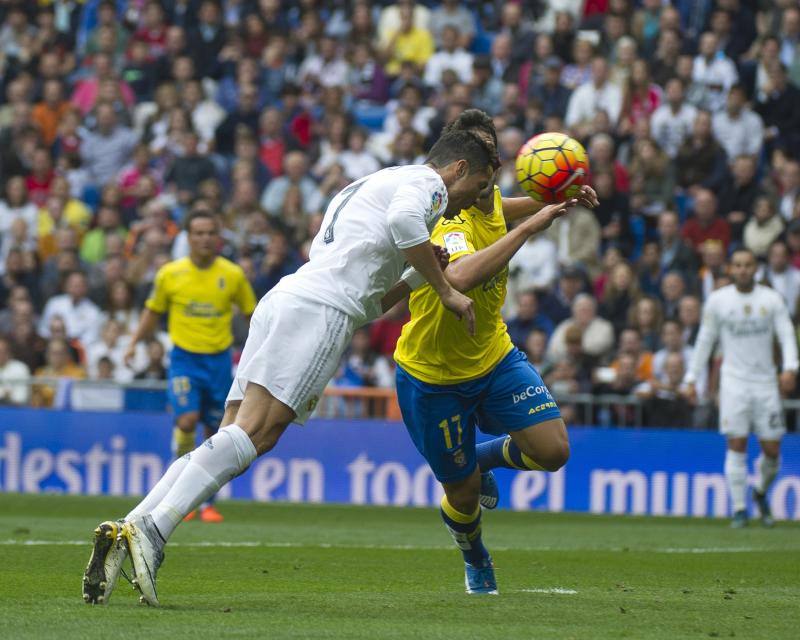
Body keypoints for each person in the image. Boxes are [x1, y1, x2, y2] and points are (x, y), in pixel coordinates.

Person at [83, 130, 494, 606]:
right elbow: (404, 225)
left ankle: (131, 525)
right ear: (459, 168)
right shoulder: (429, 186)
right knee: (259, 432)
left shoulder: (369, 185)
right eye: (477, 187)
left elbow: (373, 300)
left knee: (231, 431)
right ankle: (154, 532)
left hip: (288, 298)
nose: (467, 204)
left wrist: (416, 271)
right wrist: (444, 287)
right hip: (320, 312)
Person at [393, 109, 597, 595]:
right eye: (485, 152)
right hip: (433, 376)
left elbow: (504, 211)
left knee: (553, 451)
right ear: (462, 162)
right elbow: (459, 276)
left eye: (496, 151)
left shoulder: (489, 199)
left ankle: (481, 458)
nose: (497, 161)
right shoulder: (444, 214)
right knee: (461, 496)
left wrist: (556, 196)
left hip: (493, 355)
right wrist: (531, 228)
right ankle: (475, 556)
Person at [120, 206, 257, 525]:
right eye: (199, 233)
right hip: (184, 360)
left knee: (216, 433)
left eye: (211, 233)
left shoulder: (232, 275)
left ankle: (206, 503)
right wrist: (133, 343)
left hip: (219, 363)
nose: (205, 238)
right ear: (188, 237)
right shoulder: (170, 274)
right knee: (186, 421)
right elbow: (152, 312)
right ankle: (179, 487)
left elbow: (254, 315)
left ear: (219, 237)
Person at [683, 248, 798, 528]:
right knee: (737, 443)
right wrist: (691, 378)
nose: (743, 270)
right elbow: (705, 341)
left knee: (772, 449)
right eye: (738, 265)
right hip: (733, 383)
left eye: (748, 265)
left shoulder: (771, 300)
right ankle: (738, 509)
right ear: (731, 269)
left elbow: (785, 333)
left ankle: (759, 493)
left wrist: (791, 367)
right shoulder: (719, 301)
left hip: (766, 383)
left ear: (755, 269)